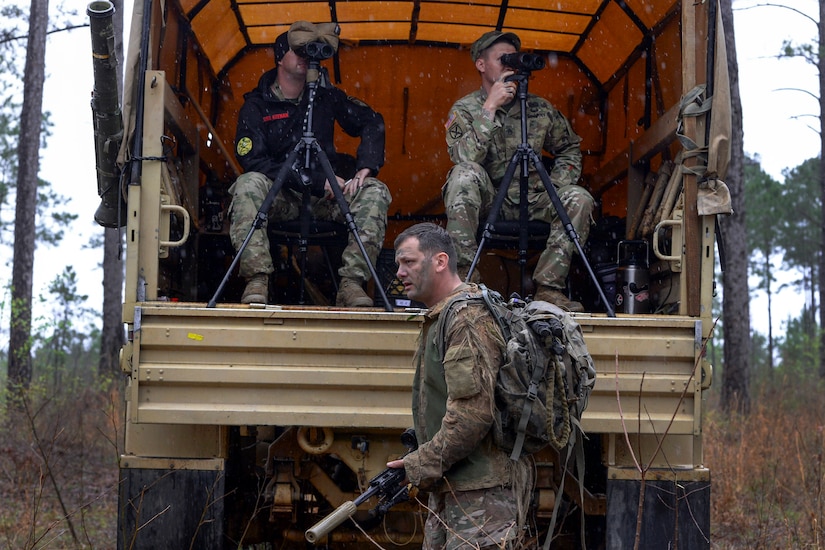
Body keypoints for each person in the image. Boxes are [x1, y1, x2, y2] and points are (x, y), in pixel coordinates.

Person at [389, 222, 534, 549]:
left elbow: (472, 415)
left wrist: (420, 464)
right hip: (456, 490)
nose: (399, 273)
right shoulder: (443, 315)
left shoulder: (465, 317)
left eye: (408, 262)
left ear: (440, 261)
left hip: (479, 500)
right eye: (399, 264)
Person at [228, 24, 391, 306]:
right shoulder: (257, 105)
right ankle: (257, 279)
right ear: (280, 57)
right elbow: (254, 160)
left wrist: (365, 167)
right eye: (298, 50)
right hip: (282, 196)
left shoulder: (325, 97)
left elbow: (371, 121)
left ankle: (352, 283)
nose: (305, 57)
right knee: (247, 185)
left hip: (326, 198)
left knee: (375, 190)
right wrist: (315, 182)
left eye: (310, 51)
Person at [442, 30, 594, 312]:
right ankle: (466, 283)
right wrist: (490, 108)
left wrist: (556, 184)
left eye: (514, 60)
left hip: (533, 199)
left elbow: (570, 148)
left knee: (579, 198)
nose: (510, 66)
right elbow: (463, 157)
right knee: (463, 176)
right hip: (490, 203)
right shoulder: (465, 109)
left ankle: (549, 287)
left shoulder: (539, 109)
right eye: (503, 59)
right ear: (481, 64)